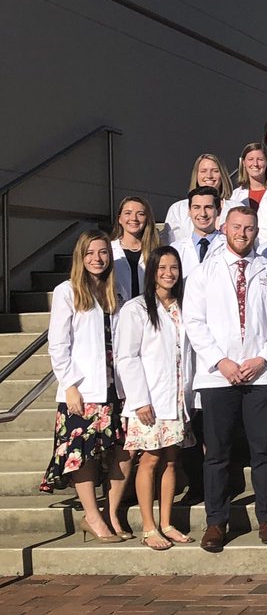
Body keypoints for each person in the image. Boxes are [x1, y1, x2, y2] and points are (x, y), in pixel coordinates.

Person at [183, 206, 267, 553]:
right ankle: (216, 521)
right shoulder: (203, 273)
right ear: (224, 228)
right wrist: (221, 361)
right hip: (218, 376)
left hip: (262, 373)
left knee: (265, 450)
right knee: (217, 453)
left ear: (257, 231)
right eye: (237, 227)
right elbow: (194, 323)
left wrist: (263, 358)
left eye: (249, 228)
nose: (243, 233)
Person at [41, 231, 132, 542]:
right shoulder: (67, 291)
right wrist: (69, 386)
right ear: (80, 257)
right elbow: (58, 345)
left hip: (115, 387)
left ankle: (111, 514)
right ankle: (92, 517)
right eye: (90, 253)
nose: (97, 258)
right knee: (84, 456)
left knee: (124, 453)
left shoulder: (117, 290)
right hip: (83, 390)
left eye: (103, 252)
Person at [114, 245, 195, 550]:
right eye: (162, 268)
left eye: (173, 268)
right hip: (148, 400)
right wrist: (139, 399)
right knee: (150, 460)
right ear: (152, 272)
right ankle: (149, 527)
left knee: (172, 461)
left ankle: (167, 522)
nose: (168, 274)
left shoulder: (183, 306)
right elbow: (127, 357)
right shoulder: (136, 309)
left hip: (176, 399)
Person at [161, 154, 233, 245]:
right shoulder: (178, 209)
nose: (209, 175)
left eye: (215, 171)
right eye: (203, 171)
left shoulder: (235, 207)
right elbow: (169, 245)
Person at [111, 196, 159, 304]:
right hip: (117, 314)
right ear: (119, 218)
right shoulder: (109, 250)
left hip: (148, 313)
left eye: (140, 214)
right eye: (128, 213)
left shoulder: (155, 251)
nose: (134, 218)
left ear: (147, 219)